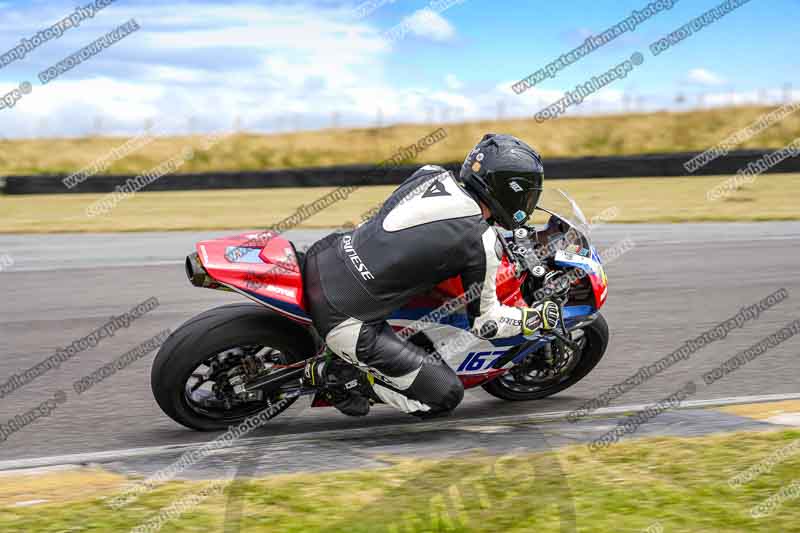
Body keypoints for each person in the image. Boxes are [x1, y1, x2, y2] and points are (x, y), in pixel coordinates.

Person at [301, 133, 561, 418]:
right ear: (507, 191)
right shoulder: (482, 241)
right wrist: (536, 318)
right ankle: (340, 377)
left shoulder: (430, 175)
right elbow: (485, 325)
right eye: (527, 194)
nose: (528, 202)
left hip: (326, 253)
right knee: (445, 396)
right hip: (345, 317)